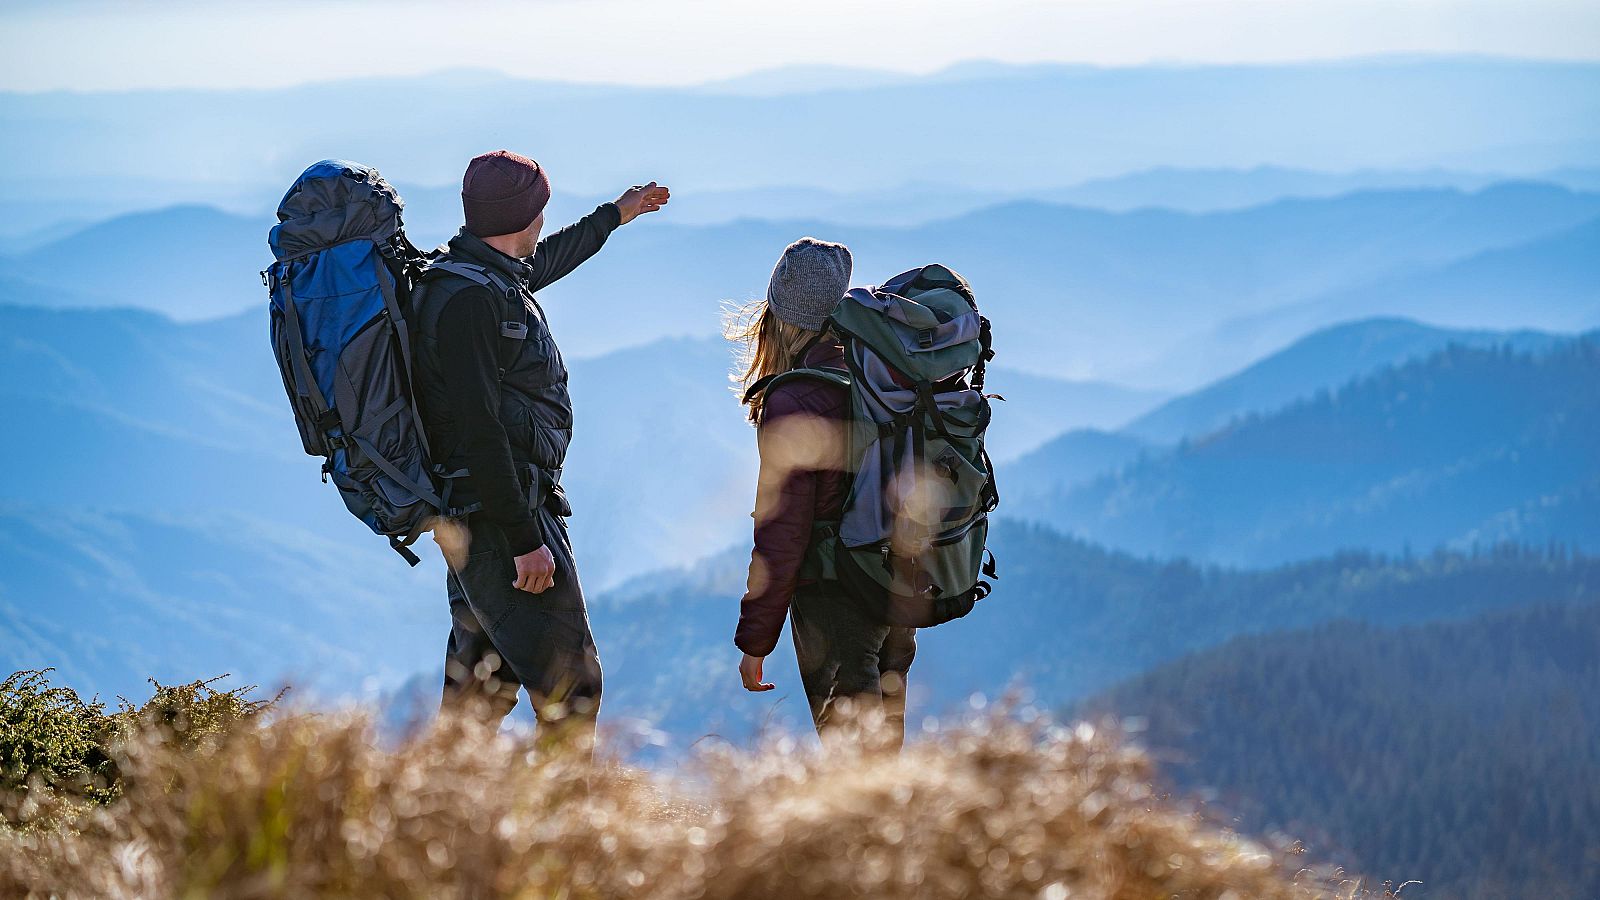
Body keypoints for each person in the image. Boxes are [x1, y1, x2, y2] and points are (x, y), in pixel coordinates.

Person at [414, 149, 669, 744]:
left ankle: (437, 798)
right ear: (522, 217)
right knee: (572, 689)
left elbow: (549, 258)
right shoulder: (473, 303)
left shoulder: (478, 274)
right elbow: (480, 431)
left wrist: (616, 214)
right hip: (504, 519)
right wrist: (525, 539)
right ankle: (557, 808)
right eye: (540, 210)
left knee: (481, 687)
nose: (544, 223)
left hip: (483, 515)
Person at [728, 237, 916, 749]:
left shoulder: (796, 399)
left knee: (853, 761)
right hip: (896, 586)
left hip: (836, 601)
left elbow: (783, 533)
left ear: (778, 316)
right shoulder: (880, 374)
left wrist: (756, 639)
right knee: (883, 752)